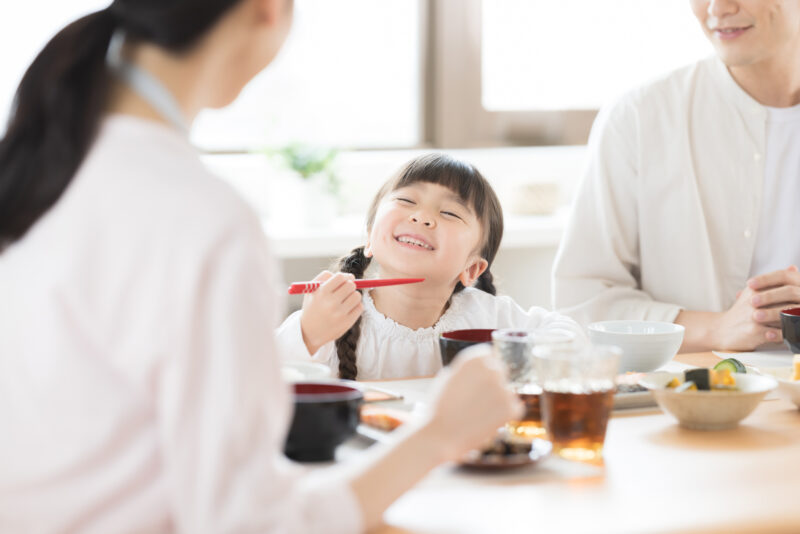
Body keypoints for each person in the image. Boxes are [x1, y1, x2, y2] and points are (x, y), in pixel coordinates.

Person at [0, 1, 522, 532]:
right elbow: (251, 523)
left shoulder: (42, 168)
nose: (423, 218)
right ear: (268, 9)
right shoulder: (204, 220)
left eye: (449, 212)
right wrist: (437, 435)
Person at [552, 0, 800, 353]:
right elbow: (582, 303)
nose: (717, 8)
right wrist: (716, 328)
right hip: (686, 383)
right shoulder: (638, 117)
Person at [277, 153, 583, 380]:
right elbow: (265, 378)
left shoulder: (488, 317)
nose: (422, 217)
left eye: (450, 213)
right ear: (370, 238)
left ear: (472, 269)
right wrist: (309, 333)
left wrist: (514, 353)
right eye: (407, 201)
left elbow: (573, 338)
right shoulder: (332, 316)